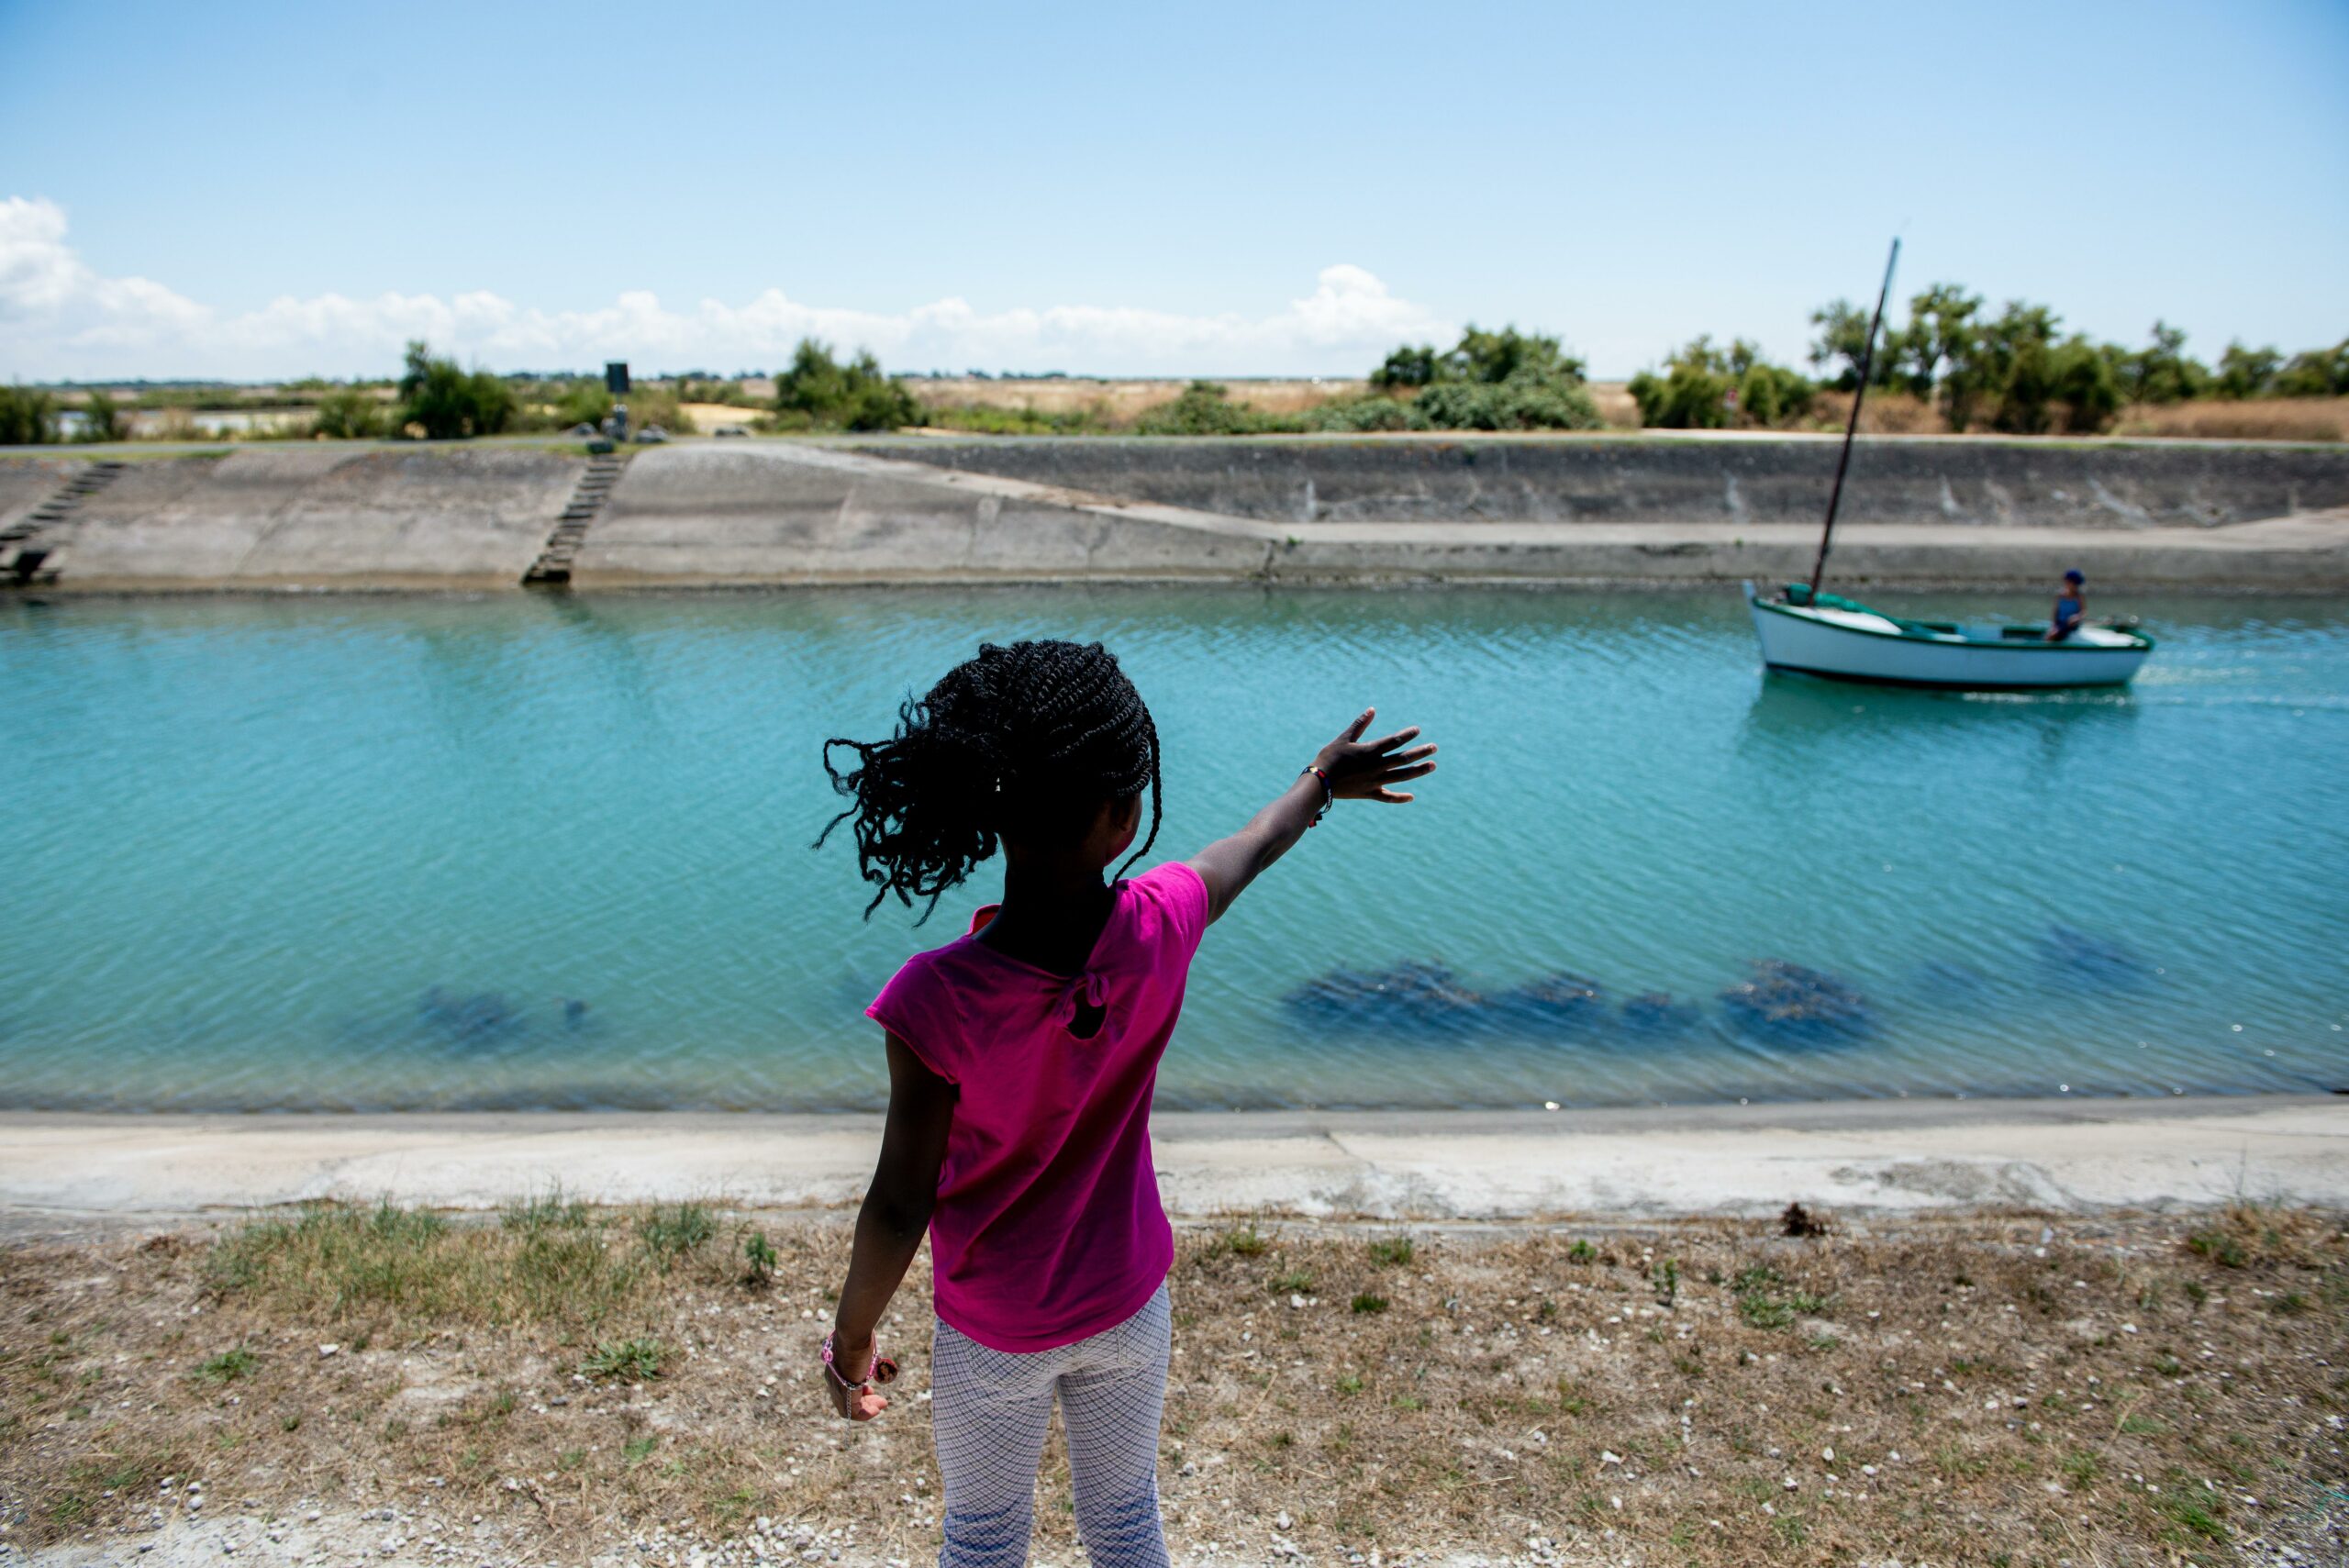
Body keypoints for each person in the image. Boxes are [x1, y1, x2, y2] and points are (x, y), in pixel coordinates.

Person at [811, 639, 1436, 1568]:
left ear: (992, 810)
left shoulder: (932, 999)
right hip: (1128, 1309)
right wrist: (1318, 780)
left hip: (995, 1329)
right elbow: (1249, 847)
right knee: (1126, 1521)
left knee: (981, 1538)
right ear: (1124, 813)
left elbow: (900, 1201)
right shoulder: (1159, 926)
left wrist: (851, 1340)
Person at [2047, 568, 2087, 641]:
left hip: (2072, 625)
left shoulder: (2079, 597)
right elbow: (2055, 612)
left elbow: (2083, 612)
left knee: (2054, 635)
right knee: (2051, 635)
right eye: (2075, 584)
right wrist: (2054, 626)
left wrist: (2077, 617)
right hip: (2060, 624)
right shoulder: (2060, 596)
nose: (2076, 587)